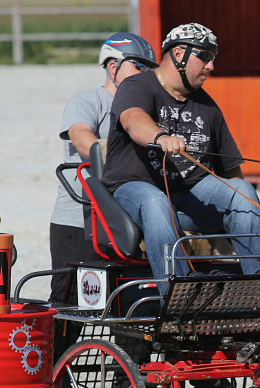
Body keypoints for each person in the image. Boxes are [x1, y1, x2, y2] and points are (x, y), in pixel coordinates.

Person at [102, 22, 260, 291]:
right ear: (178, 54)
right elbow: (132, 120)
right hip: (134, 190)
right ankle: (180, 289)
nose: (211, 66)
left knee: (241, 189)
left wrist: (243, 217)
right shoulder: (138, 86)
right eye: (205, 57)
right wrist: (160, 137)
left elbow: (232, 173)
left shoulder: (208, 106)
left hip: (188, 198)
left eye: (212, 59)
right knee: (155, 200)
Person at [49, 32, 158, 303]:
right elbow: (81, 136)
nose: (146, 74)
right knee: (70, 304)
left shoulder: (146, 107)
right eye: (139, 66)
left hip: (126, 220)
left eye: (150, 69)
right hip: (79, 221)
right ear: (113, 67)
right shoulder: (88, 101)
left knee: (130, 303)